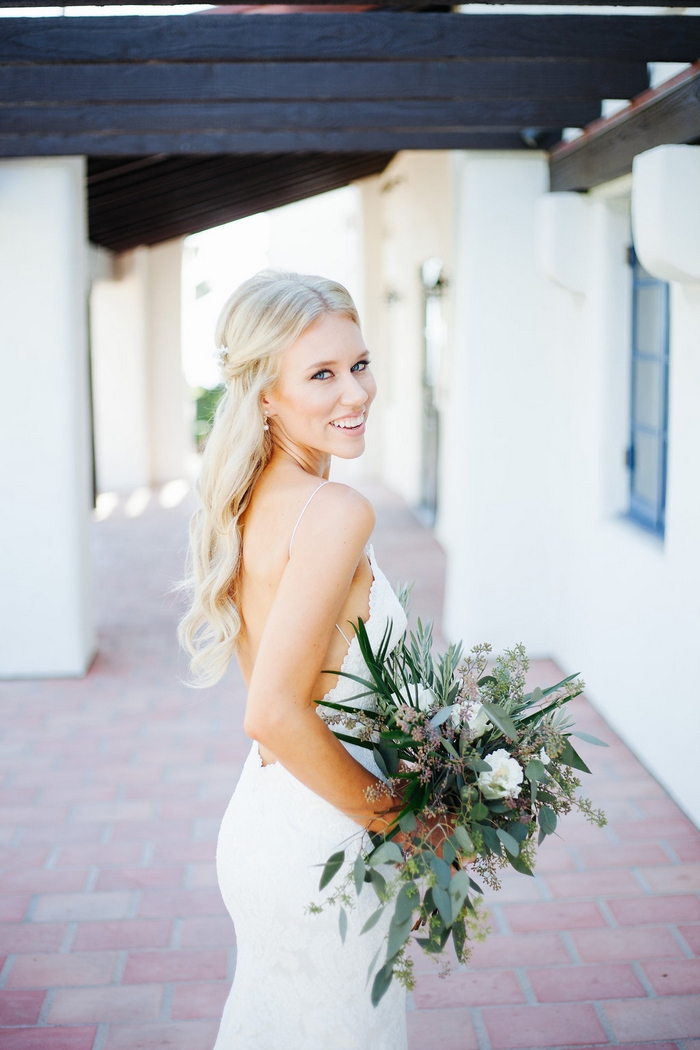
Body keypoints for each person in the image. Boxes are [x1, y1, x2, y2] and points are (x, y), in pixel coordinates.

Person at [179, 271, 409, 1049]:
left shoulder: (255, 498)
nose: (356, 393)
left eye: (359, 364)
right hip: (327, 840)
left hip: (270, 826)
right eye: (321, 375)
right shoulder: (335, 510)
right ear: (266, 397)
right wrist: (405, 822)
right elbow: (272, 712)